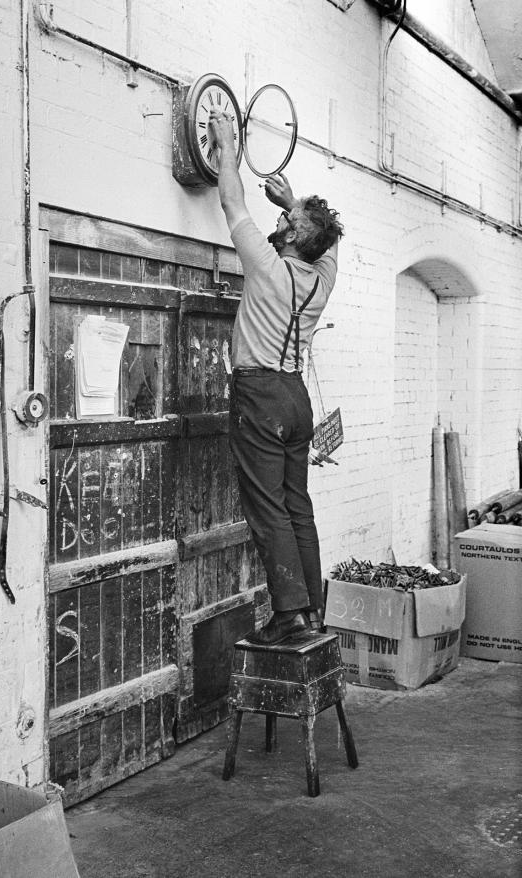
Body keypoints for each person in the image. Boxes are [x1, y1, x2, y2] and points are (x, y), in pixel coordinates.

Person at [209, 109, 344, 646]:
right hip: (296, 399)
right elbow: (329, 240)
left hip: (261, 395)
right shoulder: (321, 279)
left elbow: (231, 201)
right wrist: (295, 207)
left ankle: (289, 616)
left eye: (288, 224)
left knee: (268, 508)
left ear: (289, 239)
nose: (282, 224)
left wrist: (226, 146)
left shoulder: (267, 264)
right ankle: (312, 609)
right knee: (297, 506)